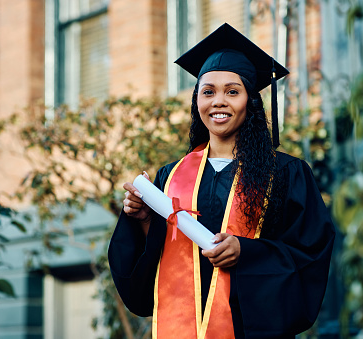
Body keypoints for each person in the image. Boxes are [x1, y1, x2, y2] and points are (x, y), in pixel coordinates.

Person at [108, 23, 335, 339]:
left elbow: (310, 254)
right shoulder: (170, 176)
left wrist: (247, 253)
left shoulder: (285, 173)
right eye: (208, 91)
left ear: (251, 101)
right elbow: (151, 269)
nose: (218, 102)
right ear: (196, 101)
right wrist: (144, 220)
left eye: (232, 91)